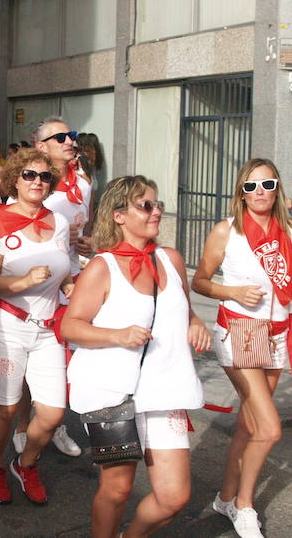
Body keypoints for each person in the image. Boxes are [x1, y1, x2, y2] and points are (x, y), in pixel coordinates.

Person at [61, 176, 209, 537]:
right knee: (117, 489)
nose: (156, 211)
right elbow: (71, 327)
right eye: (146, 205)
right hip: (112, 392)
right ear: (119, 216)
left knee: (174, 496)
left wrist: (195, 322)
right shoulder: (102, 267)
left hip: (165, 390)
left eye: (157, 204)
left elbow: (183, 308)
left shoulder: (171, 259)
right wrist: (118, 335)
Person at [192, 158, 292, 538]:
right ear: (241, 191)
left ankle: (225, 497)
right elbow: (200, 282)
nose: (259, 193)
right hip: (241, 330)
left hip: (278, 332)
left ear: (278, 188)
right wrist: (231, 291)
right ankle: (244, 505)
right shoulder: (227, 231)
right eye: (250, 186)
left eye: (266, 185)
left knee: (250, 421)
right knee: (269, 428)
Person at [0, 148, 73, 506]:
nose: (37, 182)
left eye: (44, 176)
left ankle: (26, 463)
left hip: (48, 329)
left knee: (51, 414)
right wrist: (22, 283)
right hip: (7, 326)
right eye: (29, 175)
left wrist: (73, 288)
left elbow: (65, 274)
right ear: (15, 180)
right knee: (5, 407)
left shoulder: (59, 222)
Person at [11, 117, 91, 458]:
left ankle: (53, 423)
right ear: (40, 146)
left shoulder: (83, 184)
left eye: (71, 136)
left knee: (60, 360)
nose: (70, 141)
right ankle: (20, 427)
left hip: (71, 283)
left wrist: (86, 243)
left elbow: (83, 231)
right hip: (36, 285)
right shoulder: (33, 183)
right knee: (32, 361)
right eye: (60, 138)